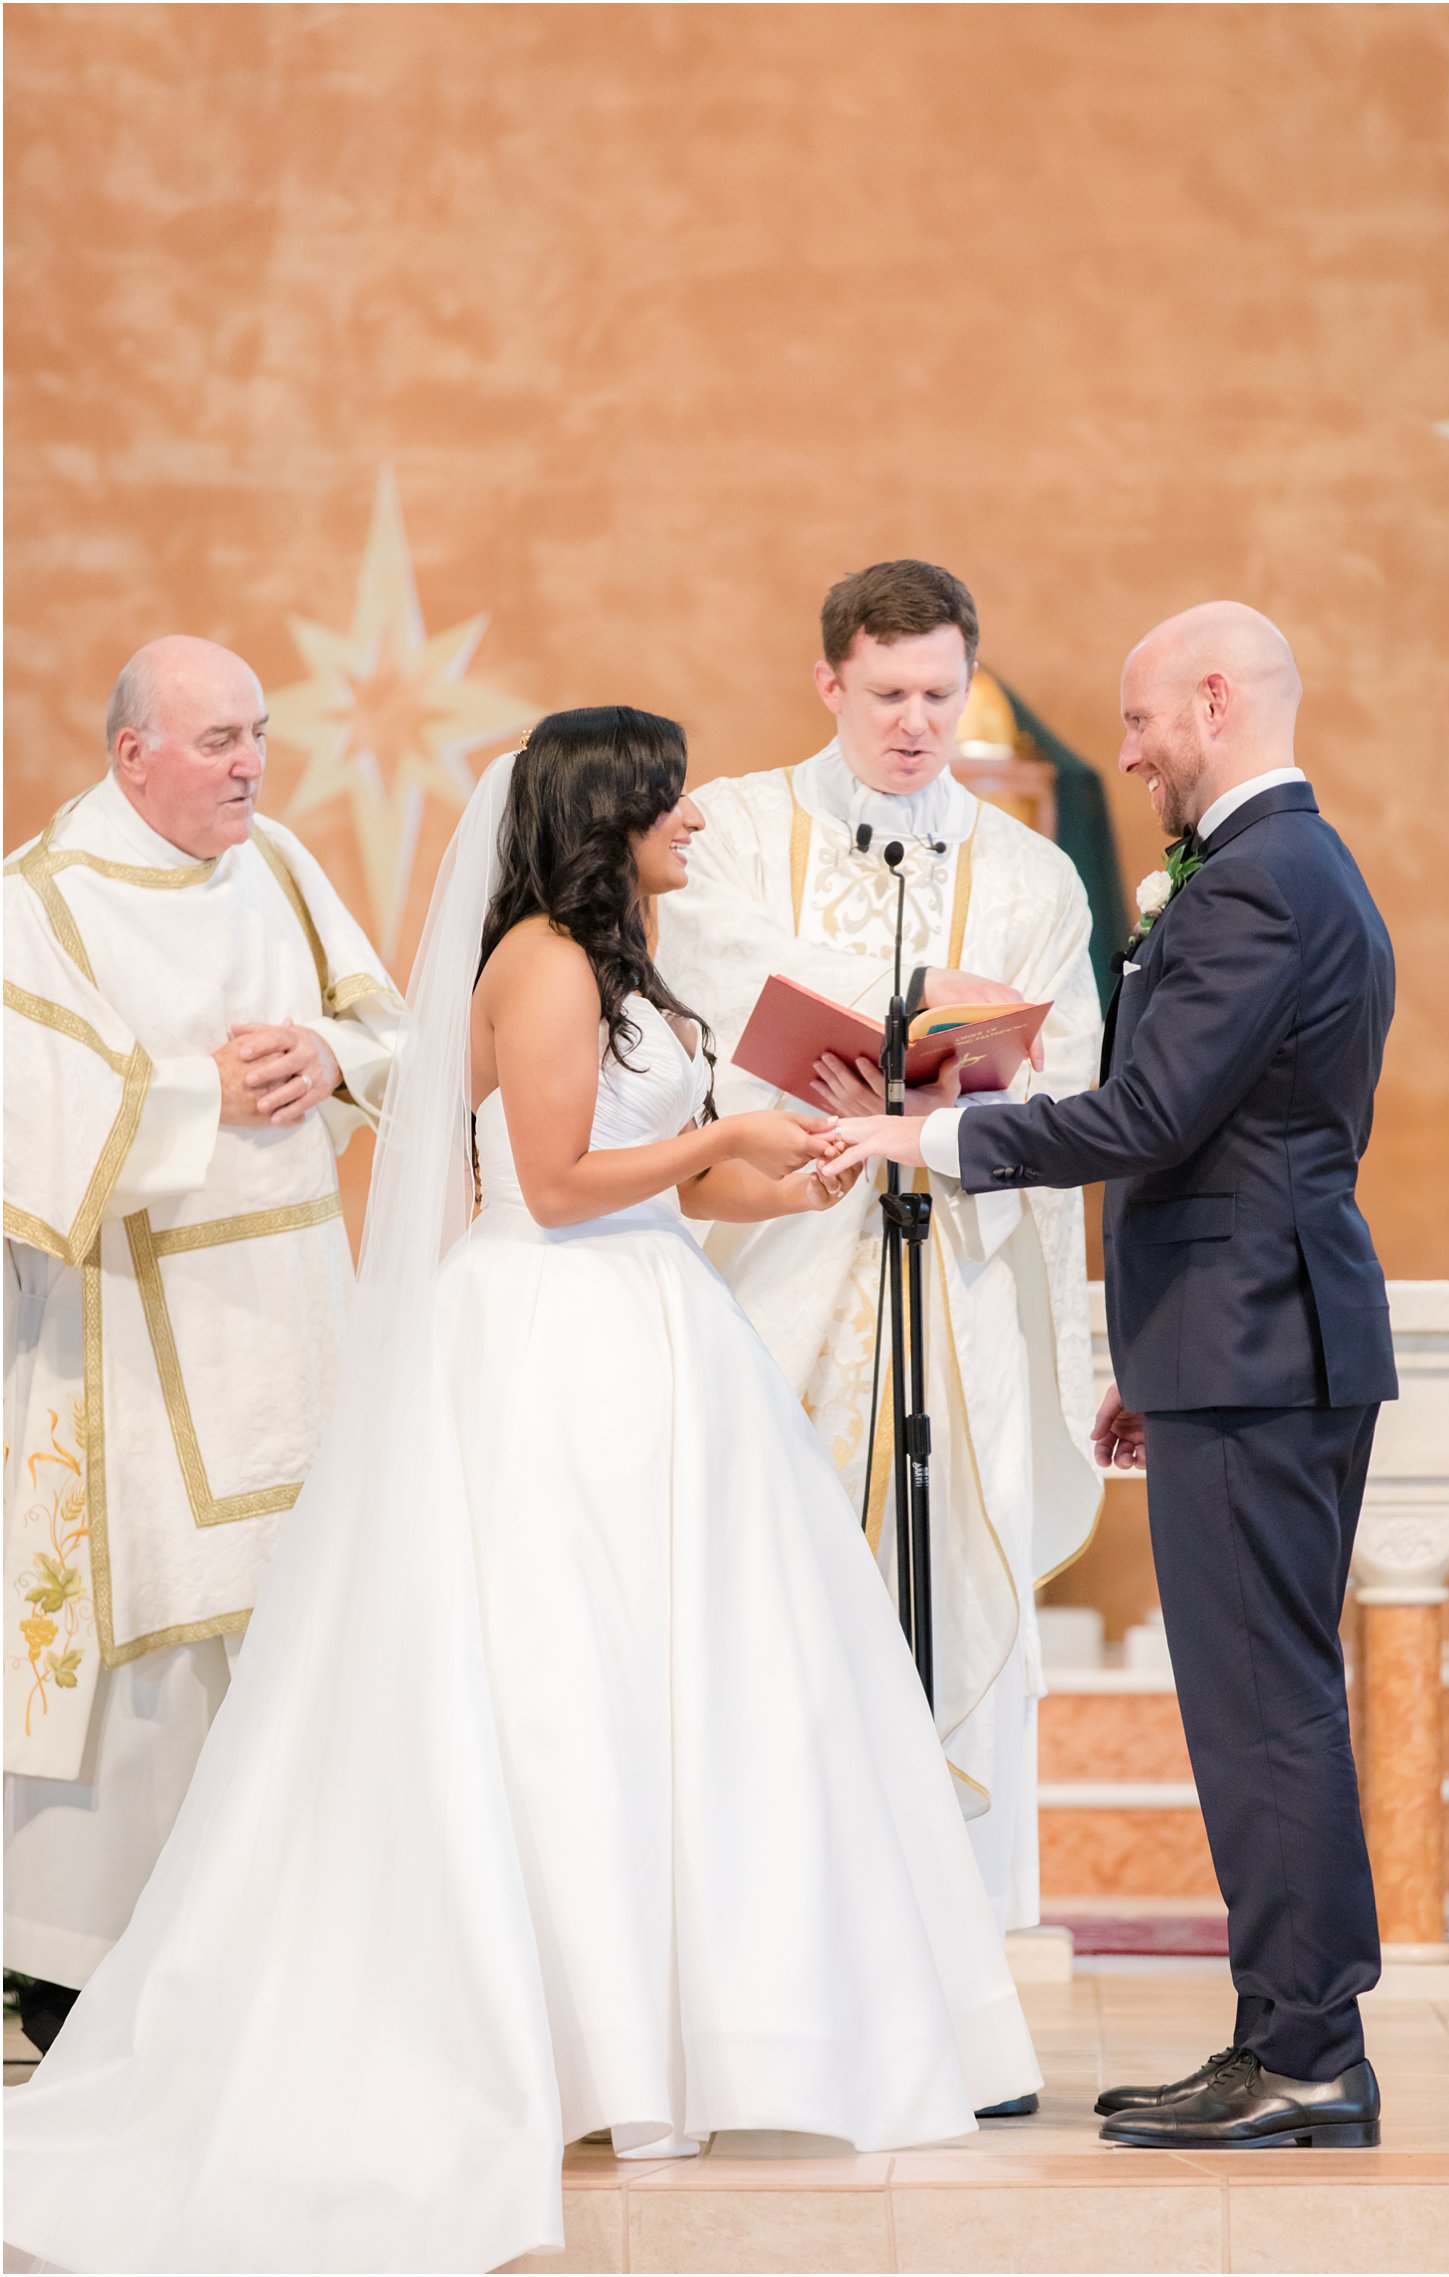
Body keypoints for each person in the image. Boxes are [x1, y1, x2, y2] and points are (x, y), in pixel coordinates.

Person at [5, 707, 1041, 2276]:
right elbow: (552, 1184)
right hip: (555, 1339)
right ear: (608, 808)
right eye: (671, 798)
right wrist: (732, 1130)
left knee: (685, 1689)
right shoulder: (543, 961)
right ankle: (574, 2044)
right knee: (558, 1682)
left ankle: (701, 2038)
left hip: (659, 1333)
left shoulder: (636, 962)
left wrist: (792, 1161)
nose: (695, 818)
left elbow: (690, 1171)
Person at [834, 602, 1395, 2152]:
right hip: (1246, 1339)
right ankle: (1281, 2034)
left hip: (1262, 1344)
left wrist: (930, 1137)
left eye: (1145, 719)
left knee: (1265, 1711)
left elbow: (1148, 1114)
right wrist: (1159, 1354)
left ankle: (1310, 2050)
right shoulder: (1282, 872)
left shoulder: (1262, 885)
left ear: (1215, 702)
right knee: (1253, 1704)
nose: (1128, 749)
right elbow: (1238, 1142)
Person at [658, 559, 1102, 1943]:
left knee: (941, 1596)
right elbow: (712, 971)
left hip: (950, 1294)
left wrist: (940, 1079)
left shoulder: (1029, 870)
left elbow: (1072, 1071)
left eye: (941, 691)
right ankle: (783, 1959)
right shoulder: (730, 827)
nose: (917, 722)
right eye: (888, 692)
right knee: (768, 1613)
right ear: (828, 682)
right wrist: (925, 1009)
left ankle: (952, 1964)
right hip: (774, 1285)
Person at [3, 636, 400, 2055]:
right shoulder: (42, 899)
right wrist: (199, 1089)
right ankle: (78, 1962)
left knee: (288, 1623)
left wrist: (333, 1061)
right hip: (125, 1324)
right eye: (220, 740)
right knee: (147, 1650)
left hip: (291, 1304)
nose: (251, 764)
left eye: (259, 734)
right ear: (132, 757)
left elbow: (387, 1030)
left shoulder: (281, 864)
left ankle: (277, 1943)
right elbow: (27, 1110)